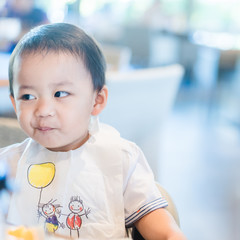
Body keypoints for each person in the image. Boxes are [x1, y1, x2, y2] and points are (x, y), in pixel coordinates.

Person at [0, 23, 186, 240]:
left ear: (97, 100)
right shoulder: (8, 166)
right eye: (28, 97)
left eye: (60, 93)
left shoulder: (121, 160)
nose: (43, 110)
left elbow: (164, 232)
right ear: (14, 104)